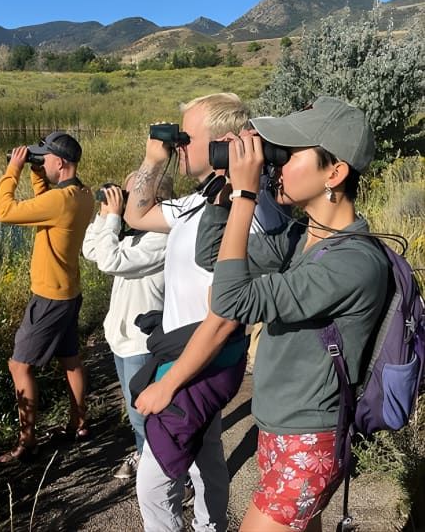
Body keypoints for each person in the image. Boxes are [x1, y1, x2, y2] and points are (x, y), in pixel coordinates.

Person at [134, 97, 389, 532]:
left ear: (335, 171)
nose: (277, 165)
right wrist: (222, 195)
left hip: (310, 440)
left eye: (287, 156)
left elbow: (231, 300)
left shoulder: (352, 263)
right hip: (280, 430)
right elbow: (213, 256)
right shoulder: (298, 238)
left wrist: (247, 194)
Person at [124, 93, 257, 532]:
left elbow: (228, 315)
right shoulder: (199, 203)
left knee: (152, 485)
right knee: (206, 459)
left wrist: (169, 385)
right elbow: (136, 212)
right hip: (189, 358)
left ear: (221, 143)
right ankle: (211, 526)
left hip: (200, 361)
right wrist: (153, 158)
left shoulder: (244, 213)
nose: (178, 143)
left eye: (185, 136)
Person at [0, 131, 94, 463]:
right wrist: (39, 176)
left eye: (45, 157)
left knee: (19, 366)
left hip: (49, 298)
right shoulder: (82, 194)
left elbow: (4, 212)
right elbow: (47, 210)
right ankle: (79, 423)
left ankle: (27, 442)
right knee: (70, 360)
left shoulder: (59, 201)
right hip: (69, 292)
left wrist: (14, 169)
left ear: (60, 162)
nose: (42, 160)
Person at [82, 172, 173, 479]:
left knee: (144, 415)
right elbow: (92, 251)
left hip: (140, 344)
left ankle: (171, 477)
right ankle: (145, 457)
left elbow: (111, 261)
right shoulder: (135, 233)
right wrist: (104, 214)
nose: (128, 202)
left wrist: (113, 219)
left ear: (155, 201)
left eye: (135, 196)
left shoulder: (162, 238)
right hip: (121, 339)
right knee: (135, 414)